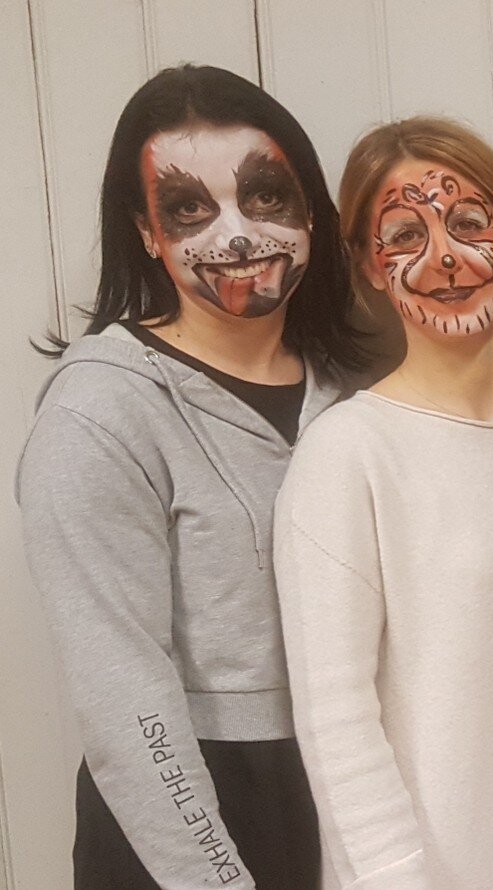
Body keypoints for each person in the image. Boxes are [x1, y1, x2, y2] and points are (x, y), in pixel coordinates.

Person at [17, 64, 368, 889]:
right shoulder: (100, 410)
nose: (237, 236)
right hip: (189, 812)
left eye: (266, 196)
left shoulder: (354, 392)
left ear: (310, 210)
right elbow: (124, 701)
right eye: (188, 208)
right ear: (146, 231)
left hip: (341, 788)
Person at [272, 117, 493, 889]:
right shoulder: (347, 454)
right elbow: (334, 718)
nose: (445, 258)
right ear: (369, 266)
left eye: (468, 223)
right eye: (404, 236)